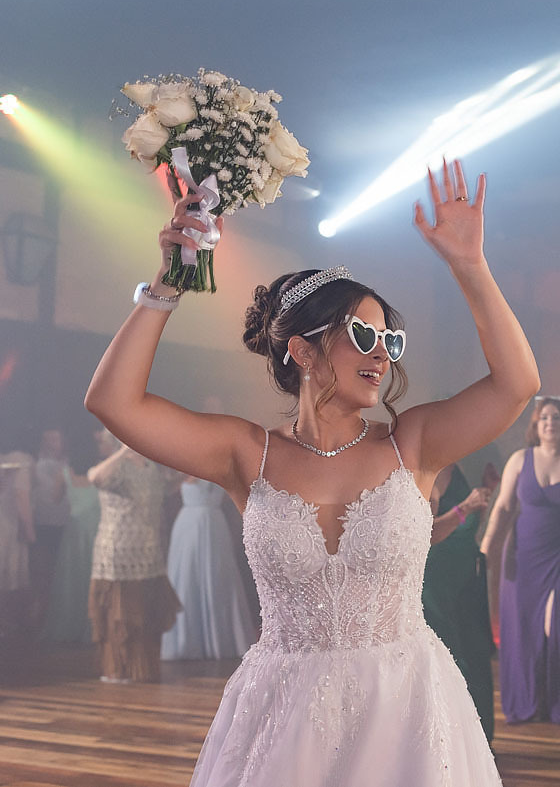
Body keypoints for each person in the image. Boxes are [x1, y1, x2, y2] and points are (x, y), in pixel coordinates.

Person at [85, 160, 536, 785]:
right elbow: (114, 403)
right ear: (301, 349)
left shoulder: (415, 443)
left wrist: (470, 267)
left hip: (406, 711)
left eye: (390, 341)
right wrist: (170, 279)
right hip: (283, 715)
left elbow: (518, 384)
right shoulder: (247, 454)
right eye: (362, 334)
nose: (382, 353)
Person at [481, 396, 560, 724]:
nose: (550, 423)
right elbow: (503, 507)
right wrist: (486, 547)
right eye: (544, 419)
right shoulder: (519, 460)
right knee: (524, 630)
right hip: (522, 556)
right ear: (536, 426)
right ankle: (532, 701)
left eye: (556, 418)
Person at [87, 439, 178, 682]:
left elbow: (171, 484)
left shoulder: (151, 467)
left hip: (148, 551)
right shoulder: (116, 467)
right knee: (121, 617)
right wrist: (124, 451)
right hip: (118, 552)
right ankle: (118, 670)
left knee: (146, 616)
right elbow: (94, 477)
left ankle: (142, 670)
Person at [422, 462, 495, 739]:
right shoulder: (435, 472)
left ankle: (478, 741)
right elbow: (427, 533)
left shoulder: (458, 468)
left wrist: (486, 494)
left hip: (464, 579)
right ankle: (456, 740)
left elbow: (467, 529)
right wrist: (466, 507)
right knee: (455, 658)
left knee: (475, 654)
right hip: (440, 583)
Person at [161, 475, 258, 660]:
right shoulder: (185, 466)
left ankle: (220, 641)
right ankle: (188, 642)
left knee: (218, 579)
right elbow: (168, 487)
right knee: (188, 579)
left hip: (214, 525)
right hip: (190, 525)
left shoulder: (222, 466)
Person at [43, 427, 111, 645]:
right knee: (94, 580)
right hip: (99, 533)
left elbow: (54, 500)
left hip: (74, 534)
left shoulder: (64, 473)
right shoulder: (101, 472)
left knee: (72, 583)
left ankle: (70, 627)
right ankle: (96, 629)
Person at [31, 428, 71, 625]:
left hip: (64, 523)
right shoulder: (36, 464)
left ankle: (58, 613)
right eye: (49, 439)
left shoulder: (69, 464)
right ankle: (40, 614)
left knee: (59, 570)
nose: (53, 443)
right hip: (43, 523)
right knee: (42, 570)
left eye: (57, 438)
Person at [0, 442, 34, 639]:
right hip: (8, 526)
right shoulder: (20, 459)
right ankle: (9, 624)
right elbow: (22, 499)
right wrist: (30, 531)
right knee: (8, 576)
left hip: (8, 524)